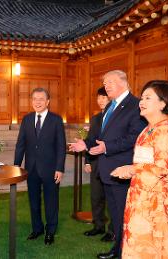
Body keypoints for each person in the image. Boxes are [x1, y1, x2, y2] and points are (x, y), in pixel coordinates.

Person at [69, 70, 146, 259]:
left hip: (123, 171)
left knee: (123, 215)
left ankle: (124, 252)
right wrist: (85, 144)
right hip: (107, 172)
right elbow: (99, 136)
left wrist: (107, 147)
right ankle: (118, 249)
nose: (106, 86)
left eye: (110, 82)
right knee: (115, 215)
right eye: (104, 83)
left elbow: (134, 137)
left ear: (123, 82)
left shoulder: (135, 105)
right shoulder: (110, 106)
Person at [111, 80, 168, 258]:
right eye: (142, 97)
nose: (141, 101)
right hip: (140, 197)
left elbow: (162, 167)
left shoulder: (166, 129)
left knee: (156, 250)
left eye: (148, 97)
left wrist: (132, 169)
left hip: (157, 202)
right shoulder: (148, 129)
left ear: (162, 103)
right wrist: (131, 171)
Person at [14, 87, 66, 245]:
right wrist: (16, 165)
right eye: (35, 99)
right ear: (31, 101)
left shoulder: (56, 120)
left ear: (47, 102)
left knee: (51, 201)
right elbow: (21, 144)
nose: (38, 102)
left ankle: (50, 231)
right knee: (33, 201)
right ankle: (37, 228)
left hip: (51, 169)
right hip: (31, 168)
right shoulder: (27, 119)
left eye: (41, 99)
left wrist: (60, 168)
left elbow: (61, 146)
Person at [83, 87, 114, 242]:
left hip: (110, 163)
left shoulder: (116, 117)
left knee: (112, 199)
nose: (101, 100)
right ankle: (98, 225)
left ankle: (113, 231)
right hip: (95, 163)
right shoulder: (95, 119)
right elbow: (89, 141)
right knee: (96, 197)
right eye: (99, 98)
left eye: (104, 97)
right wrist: (87, 161)